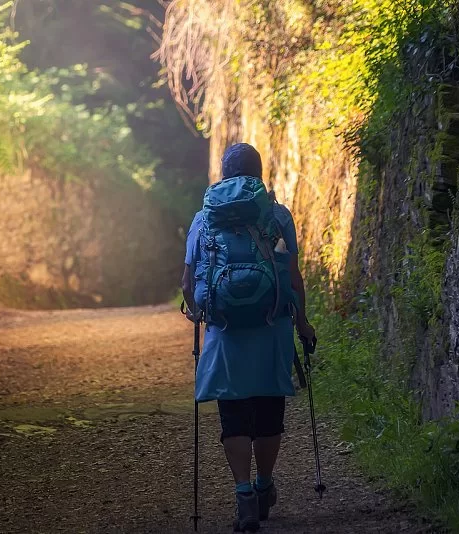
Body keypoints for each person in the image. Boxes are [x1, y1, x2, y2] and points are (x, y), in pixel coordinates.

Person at [181, 143, 316, 533]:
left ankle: (243, 497)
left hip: (225, 332)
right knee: (269, 409)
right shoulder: (276, 215)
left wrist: (198, 311)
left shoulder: (203, 219)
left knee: (234, 413)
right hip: (271, 326)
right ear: (259, 174)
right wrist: (303, 323)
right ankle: (263, 486)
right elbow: (292, 278)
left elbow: (188, 281)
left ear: (223, 175)